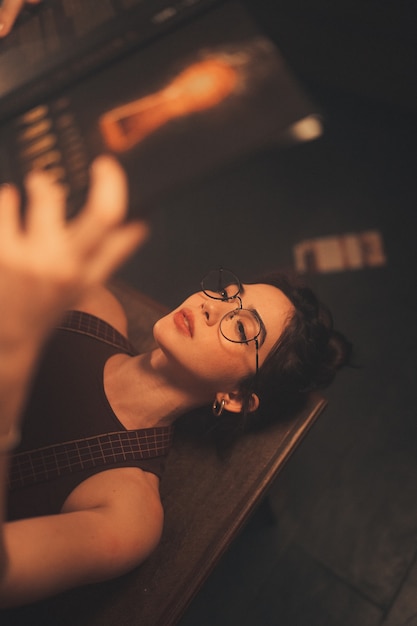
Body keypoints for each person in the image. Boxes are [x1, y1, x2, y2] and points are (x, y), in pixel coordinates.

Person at [0, 161, 351, 608]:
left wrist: (12, 354)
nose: (212, 308)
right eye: (229, 295)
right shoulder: (95, 304)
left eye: (241, 329)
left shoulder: (128, 514)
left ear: (238, 397)